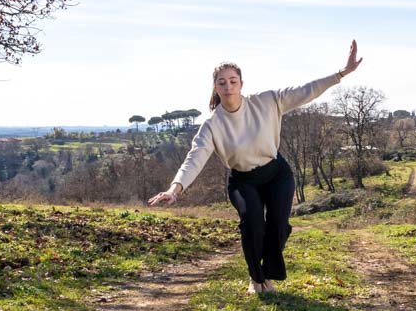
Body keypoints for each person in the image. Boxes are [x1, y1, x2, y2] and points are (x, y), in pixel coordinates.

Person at [148, 41, 363, 294]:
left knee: (279, 227)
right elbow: (195, 157)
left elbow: (307, 90)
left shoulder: (267, 102)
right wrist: (175, 189)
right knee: (253, 226)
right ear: (215, 87)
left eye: (232, 80)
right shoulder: (212, 124)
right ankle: (257, 279)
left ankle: (268, 272)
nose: (228, 86)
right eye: (221, 82)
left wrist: (341, 73)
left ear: (241, 83)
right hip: (243, 181)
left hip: (276, 174)